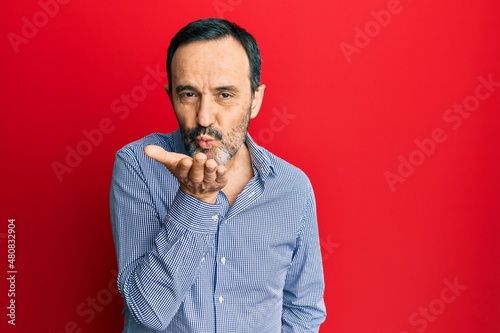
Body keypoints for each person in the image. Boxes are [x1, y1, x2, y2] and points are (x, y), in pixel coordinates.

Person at [110, 18, 326, 333]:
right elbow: (147, 313)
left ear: (255, 100)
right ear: (171, 96)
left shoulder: (292, 188)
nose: (204, 117)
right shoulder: (138, 166)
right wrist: (196, 199)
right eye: (189, 94)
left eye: (224, 95)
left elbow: (303, 310)